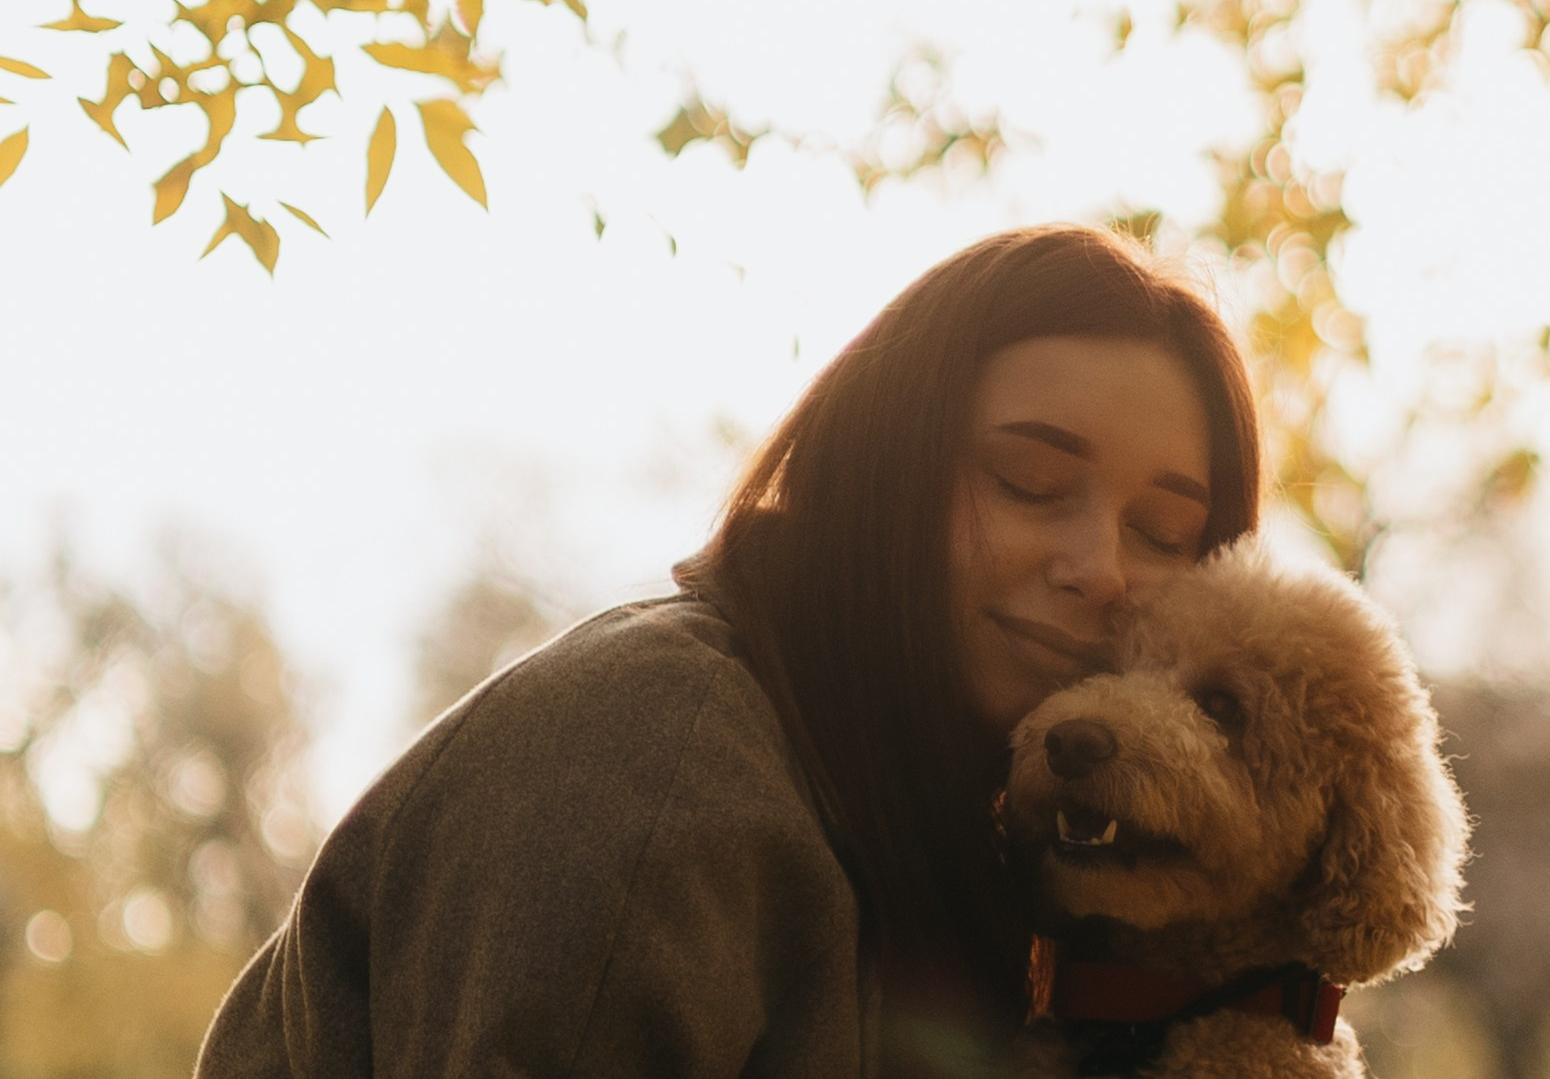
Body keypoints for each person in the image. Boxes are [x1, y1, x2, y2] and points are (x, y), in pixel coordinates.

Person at [193, 224, 1265, 1078]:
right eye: (1028, 483)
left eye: (1164, 535)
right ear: (886, 464)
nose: (1102, 568)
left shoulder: (971, 830)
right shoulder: (664, 750)